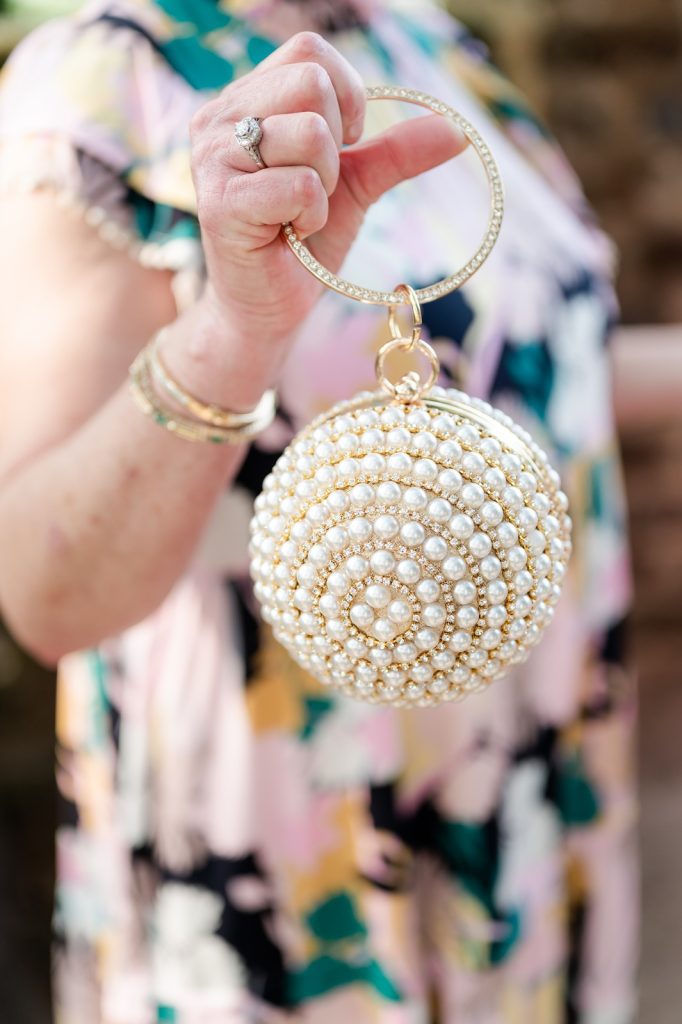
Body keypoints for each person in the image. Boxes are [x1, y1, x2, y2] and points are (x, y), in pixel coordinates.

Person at [0, 0, 637, 1020]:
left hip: (518, 800)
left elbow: (545, 373)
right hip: (290, 844)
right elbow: (47, 595)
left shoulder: (426, 41)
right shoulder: (97, 86)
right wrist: (235, 328)